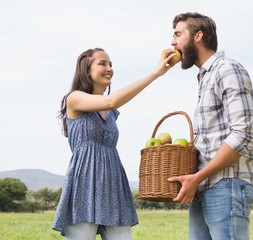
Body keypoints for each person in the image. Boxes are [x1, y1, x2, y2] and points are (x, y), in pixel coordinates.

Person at [52, 47, 177, 240]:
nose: (109, 68)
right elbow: (112, 100)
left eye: (110, 64)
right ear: (86, 70)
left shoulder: (111, 114)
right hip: (85, 182)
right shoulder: (74, 98)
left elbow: (110, 104)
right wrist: (155, 73)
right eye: (102, 63)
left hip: (112, 181)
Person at [167, 12, 253, 240]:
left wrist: (197, 177)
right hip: (204, 186)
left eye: (178, 34)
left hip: (225, 185)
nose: (172, 42)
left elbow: (243, 134)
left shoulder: (227, 70)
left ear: (198, 36)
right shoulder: (205, 77)